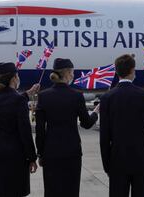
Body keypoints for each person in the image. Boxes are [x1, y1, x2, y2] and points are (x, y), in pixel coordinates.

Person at [36, 58, 99, 197]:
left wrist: (40, 153)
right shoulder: (76, 96)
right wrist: (95, 113)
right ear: (68, 73)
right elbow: (86, 123)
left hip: (50, 152)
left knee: (52, 191)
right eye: (73, 72)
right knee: (70, 190)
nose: (73, 75)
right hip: (71, 152)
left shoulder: (43, 96)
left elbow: (40, 130)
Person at [99, 54, 144, 197]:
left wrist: (107, 165)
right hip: (141, 160)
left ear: (116, 71)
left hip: (117, 160)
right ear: (132, 70)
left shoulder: (106, 98)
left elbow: (104, 137)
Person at [0, 62, 39, 197]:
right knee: (16, 190)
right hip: (16, 153)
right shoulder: (18, 100)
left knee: (3, 189)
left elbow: (8, 101)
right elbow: (25, 131)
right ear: (13, 78)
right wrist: (32, 157)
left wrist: (27, 93)